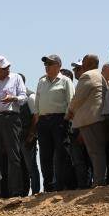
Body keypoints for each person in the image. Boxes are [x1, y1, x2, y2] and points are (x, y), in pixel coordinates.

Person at [0, 56, 28, 198]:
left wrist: (13, 98)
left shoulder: (16, 78)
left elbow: (24, 97)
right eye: (4, 68)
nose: (7, 69)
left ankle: (16, 191)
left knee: (13, 155)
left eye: (8, 66)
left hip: (11, 118)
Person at [32, 54, 75, 191]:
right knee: (45, 155)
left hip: (60, 120)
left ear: (58, 66)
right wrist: (37, 117)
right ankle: (48, 186)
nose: (47, 66)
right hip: (43, 121)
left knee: (62, 153)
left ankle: (64, 185)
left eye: (50, 64)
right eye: (46, 64)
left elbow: (71, 101)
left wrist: (66, 119)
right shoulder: (41, 82)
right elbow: (37, 102)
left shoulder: (65, 81)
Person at [68, 55, 108, 187]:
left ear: (89, 63)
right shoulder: (99, 75)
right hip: (97, 118)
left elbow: (77, 98)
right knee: (97, 152)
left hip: (91, 119)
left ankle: (99, 181)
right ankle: (99, 179)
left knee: (95, 152)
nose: (82, 65)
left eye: (84, 62)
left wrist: (69, 112)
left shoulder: (88, 75)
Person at [19, 75, 41, 195]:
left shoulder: (30, 96)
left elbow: (36, 117)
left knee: (31, 166)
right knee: (21, 168)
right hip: (18, 138)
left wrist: (31, 135)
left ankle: (36, 191)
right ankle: (24, 192)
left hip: (27, 138)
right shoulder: (15, 98)